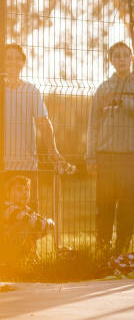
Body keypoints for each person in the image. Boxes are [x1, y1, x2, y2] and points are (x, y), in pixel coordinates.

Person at [86, 41, 134, 255]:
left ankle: (121, 251)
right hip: (106, 154)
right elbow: (93, 124)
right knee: (105, 204)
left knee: (127, 204)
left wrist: (129, 104)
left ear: (132, 58)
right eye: (116, 56)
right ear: (111, 60)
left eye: (125, 55)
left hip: (133, 154)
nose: (121, 59)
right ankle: (102, 249)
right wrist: (91, 156)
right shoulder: (104, 88)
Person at [2, 43, 69, 210]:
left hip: (25, 164)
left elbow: (44, 123)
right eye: (8, 57)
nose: (12, 62)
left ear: (22, 63)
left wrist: (53, 151)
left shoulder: (31, 91)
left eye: (17, 58)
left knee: (28, 218)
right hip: (2, 165)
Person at [3, 175, 55, 268]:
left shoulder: (27, 209)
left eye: (27, 189)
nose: (24, 193)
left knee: (32, 227)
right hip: (5, 249)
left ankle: (28, 259)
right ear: (8, 194)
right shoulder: (8, 208)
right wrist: (48, 223)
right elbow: (35, 222)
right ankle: (12, 262)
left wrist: (45, 224)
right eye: (19, 190)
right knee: (25, 225)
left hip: (22, 249)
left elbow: (41, 224)